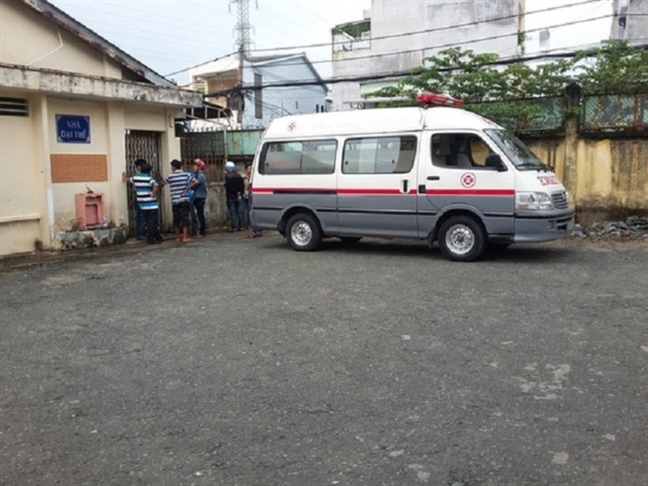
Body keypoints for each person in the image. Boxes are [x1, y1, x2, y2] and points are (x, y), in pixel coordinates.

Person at [121, 161, 162, 244]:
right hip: (151, 204)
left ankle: (157, 236)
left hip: (142, 204)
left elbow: (126, 179)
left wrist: (124, 175)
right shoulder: (149, 179)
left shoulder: (136, 178)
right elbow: (156, 185)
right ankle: (151, 239)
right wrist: (153, 194)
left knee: (147, 221)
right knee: (153, 222)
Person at [160, 159, 193, 243]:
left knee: (176, 219)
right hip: (184, 199)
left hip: (175, 200)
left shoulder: (170, 176)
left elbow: (162, 184)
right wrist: (187, 188)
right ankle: (185, 237)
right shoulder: (186, 175)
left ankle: (177, 237)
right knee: (185, 218)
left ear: (174, 167)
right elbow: (195, 181)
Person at [223, 161, 245, 232]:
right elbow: (242, 186)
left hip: (231, 196)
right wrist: (239, 194)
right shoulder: (239, 176)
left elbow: (229, 186)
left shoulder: (227, 177)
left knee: (233, 212)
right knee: (239, 212)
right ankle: (241, 226)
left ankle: (234, 227)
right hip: (239, 196)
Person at [244, 163, 262, 238]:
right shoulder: (245, 177)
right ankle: (256, 230)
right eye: (249, 168)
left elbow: (248, 187)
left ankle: (256, 230)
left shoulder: (254, 177)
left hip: (253, 197)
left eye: (251, 168)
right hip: (248, 197)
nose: (250, 170)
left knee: (253, 213)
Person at [190, 159, 208, 238]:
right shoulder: (195, 175)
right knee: (196, 214)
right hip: (196, 196)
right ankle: (197, 230)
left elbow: (196, 183)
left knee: (200, 214)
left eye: (195, 166)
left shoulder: (200, 175)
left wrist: (188, 187)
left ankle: (202, 231)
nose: (193, 167)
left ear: (199, 167)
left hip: (200, 196)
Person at [131, 158, 148, 240]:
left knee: (144, 216)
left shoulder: (142, 175)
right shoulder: (137, 176)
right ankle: (140, 233)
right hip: (140, 198)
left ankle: (144, 232)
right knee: (141, 216)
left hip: (144, 198)